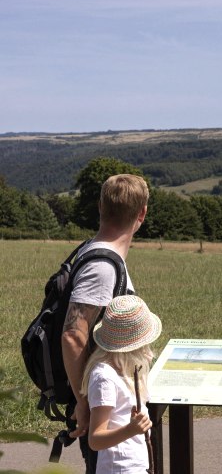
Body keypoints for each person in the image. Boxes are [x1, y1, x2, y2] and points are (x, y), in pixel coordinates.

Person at [62, 174, 149, 473]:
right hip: (105, 411)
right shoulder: (102, 266)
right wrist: (84, 401)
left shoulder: (96, 253)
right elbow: (73, 334)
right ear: (142, 213)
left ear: (100, 207)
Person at [80, 295, 161, 474]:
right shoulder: (104, 377)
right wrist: (131, 429)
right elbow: (95, 439)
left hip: (135, 465)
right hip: (119, 468)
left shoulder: (129, 369)